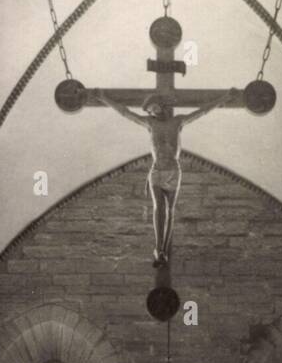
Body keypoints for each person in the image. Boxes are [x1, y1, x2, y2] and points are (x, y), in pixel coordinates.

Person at [95, 88, 241, 265]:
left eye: (153, 107)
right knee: (158, 209)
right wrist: (104, 98)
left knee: (170, 211)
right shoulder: (150, 123)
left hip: (173, 171)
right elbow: (126, 113)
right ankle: (158, 249)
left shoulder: (178, 121)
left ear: (161, 105)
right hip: (157, 171)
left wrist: (225, 97)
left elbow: (201, 111)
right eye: (149, 110)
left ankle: (164, 248)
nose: (152, 111)